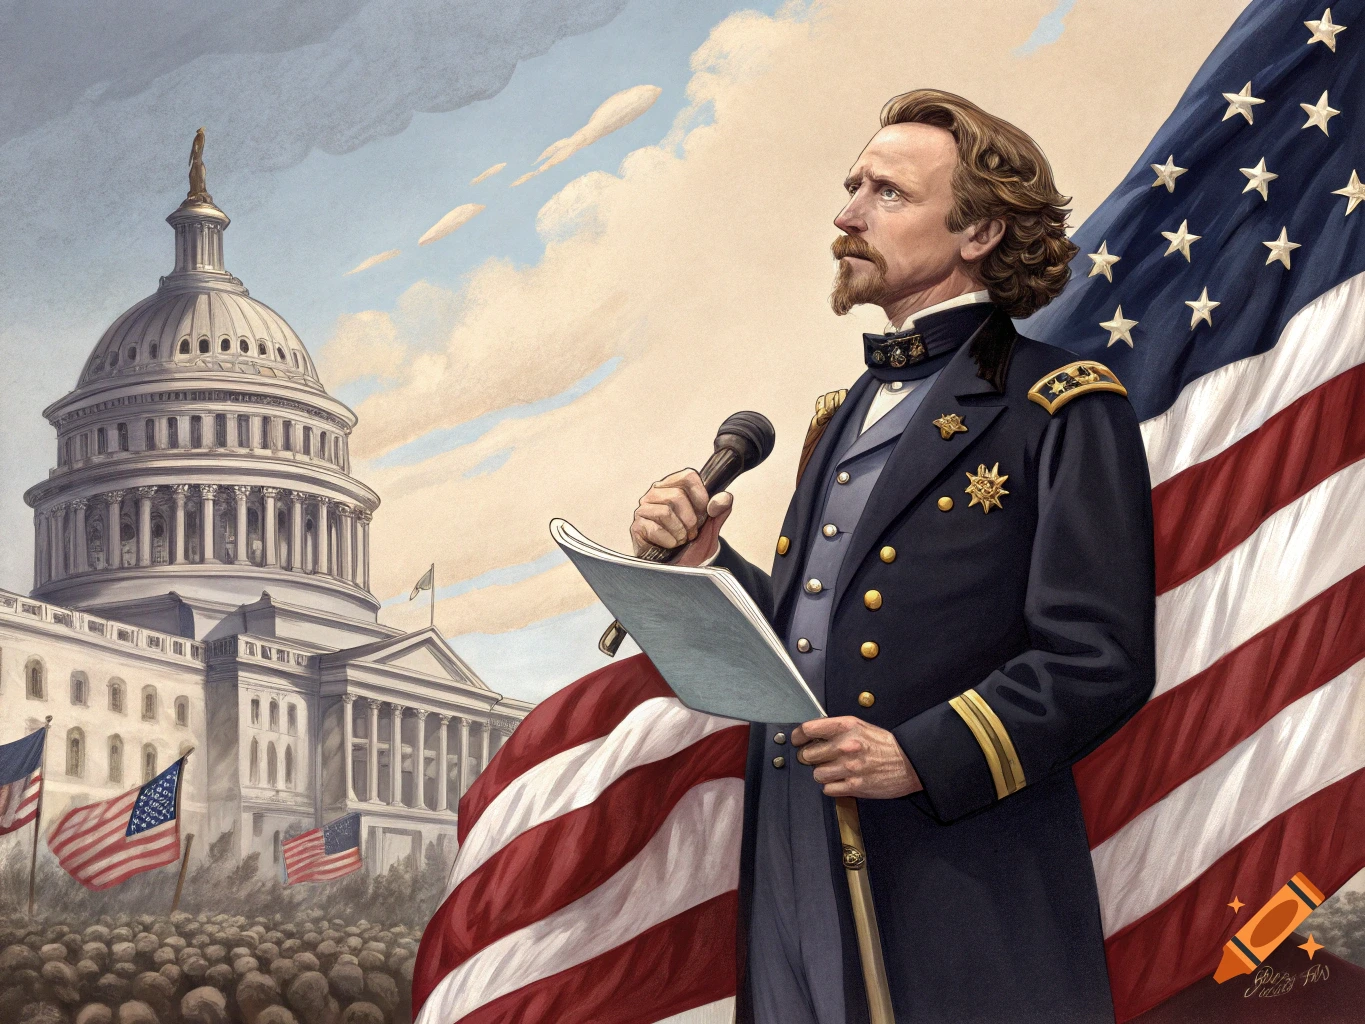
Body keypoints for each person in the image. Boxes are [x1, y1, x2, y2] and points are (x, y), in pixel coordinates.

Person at [629, 89, 1155, 1023]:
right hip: (795, 845)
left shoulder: (1062, 405)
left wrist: (918, 755)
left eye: (886, 194)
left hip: (951, 869)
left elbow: (1098, 657)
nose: (845, 215)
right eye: (850, 187)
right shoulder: (835, 419)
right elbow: (808, 631)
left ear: (980, 232)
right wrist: (708, 564)